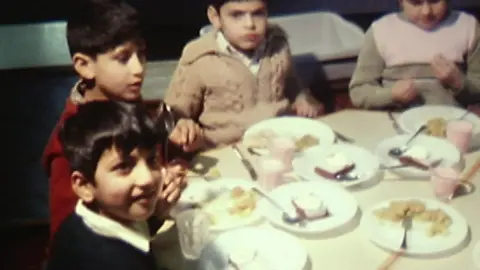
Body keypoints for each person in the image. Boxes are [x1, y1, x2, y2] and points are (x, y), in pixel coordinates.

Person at [42, 0, 196, 239]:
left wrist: (171, 167)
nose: (139, 69)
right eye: (122, 58)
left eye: (141, 54)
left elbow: (148, 158)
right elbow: (67, 236)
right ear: (84, 66)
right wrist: (153, 208)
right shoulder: (69, 146)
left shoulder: (126, 103)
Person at [163, 0, 325, 147]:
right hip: (225, 152)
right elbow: (171, 115)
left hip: (280, 144)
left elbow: (291, 84)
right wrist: (183, 126)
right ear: (215, 17)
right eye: (237, 15)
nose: (250, 24)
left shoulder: (278, 45)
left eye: (258, 13)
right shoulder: (200, 59)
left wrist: (302, 98)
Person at [46, 101, 168, 270]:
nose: (146, 178)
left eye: (152, 160)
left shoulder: (85, 219)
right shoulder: (113, 262)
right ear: (84, 185)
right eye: (124, 167)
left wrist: (157, 215)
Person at [349, 0, 480, 110]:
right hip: (396, 127)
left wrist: (458, 82)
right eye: (416, 2)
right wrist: (391, 95)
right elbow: (359, 91)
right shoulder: (380, 31)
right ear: (400, 2)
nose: (426, 11)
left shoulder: (468, 27)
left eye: (435, 1)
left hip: (449, 126)